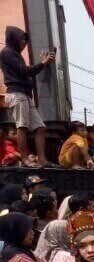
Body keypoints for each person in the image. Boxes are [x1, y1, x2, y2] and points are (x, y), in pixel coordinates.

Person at [1, 27, 54, 167]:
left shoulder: (15, 54)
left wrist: (42, 63)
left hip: (24, 94)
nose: (24, 42)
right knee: (22, 126)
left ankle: (42, 160)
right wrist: (43, 63)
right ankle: (24, 159)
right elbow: (25, 71)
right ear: (13, 38)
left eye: (25, 39)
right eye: (21, 39)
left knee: (40, 127)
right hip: (17, 93)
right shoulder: (7, 53)